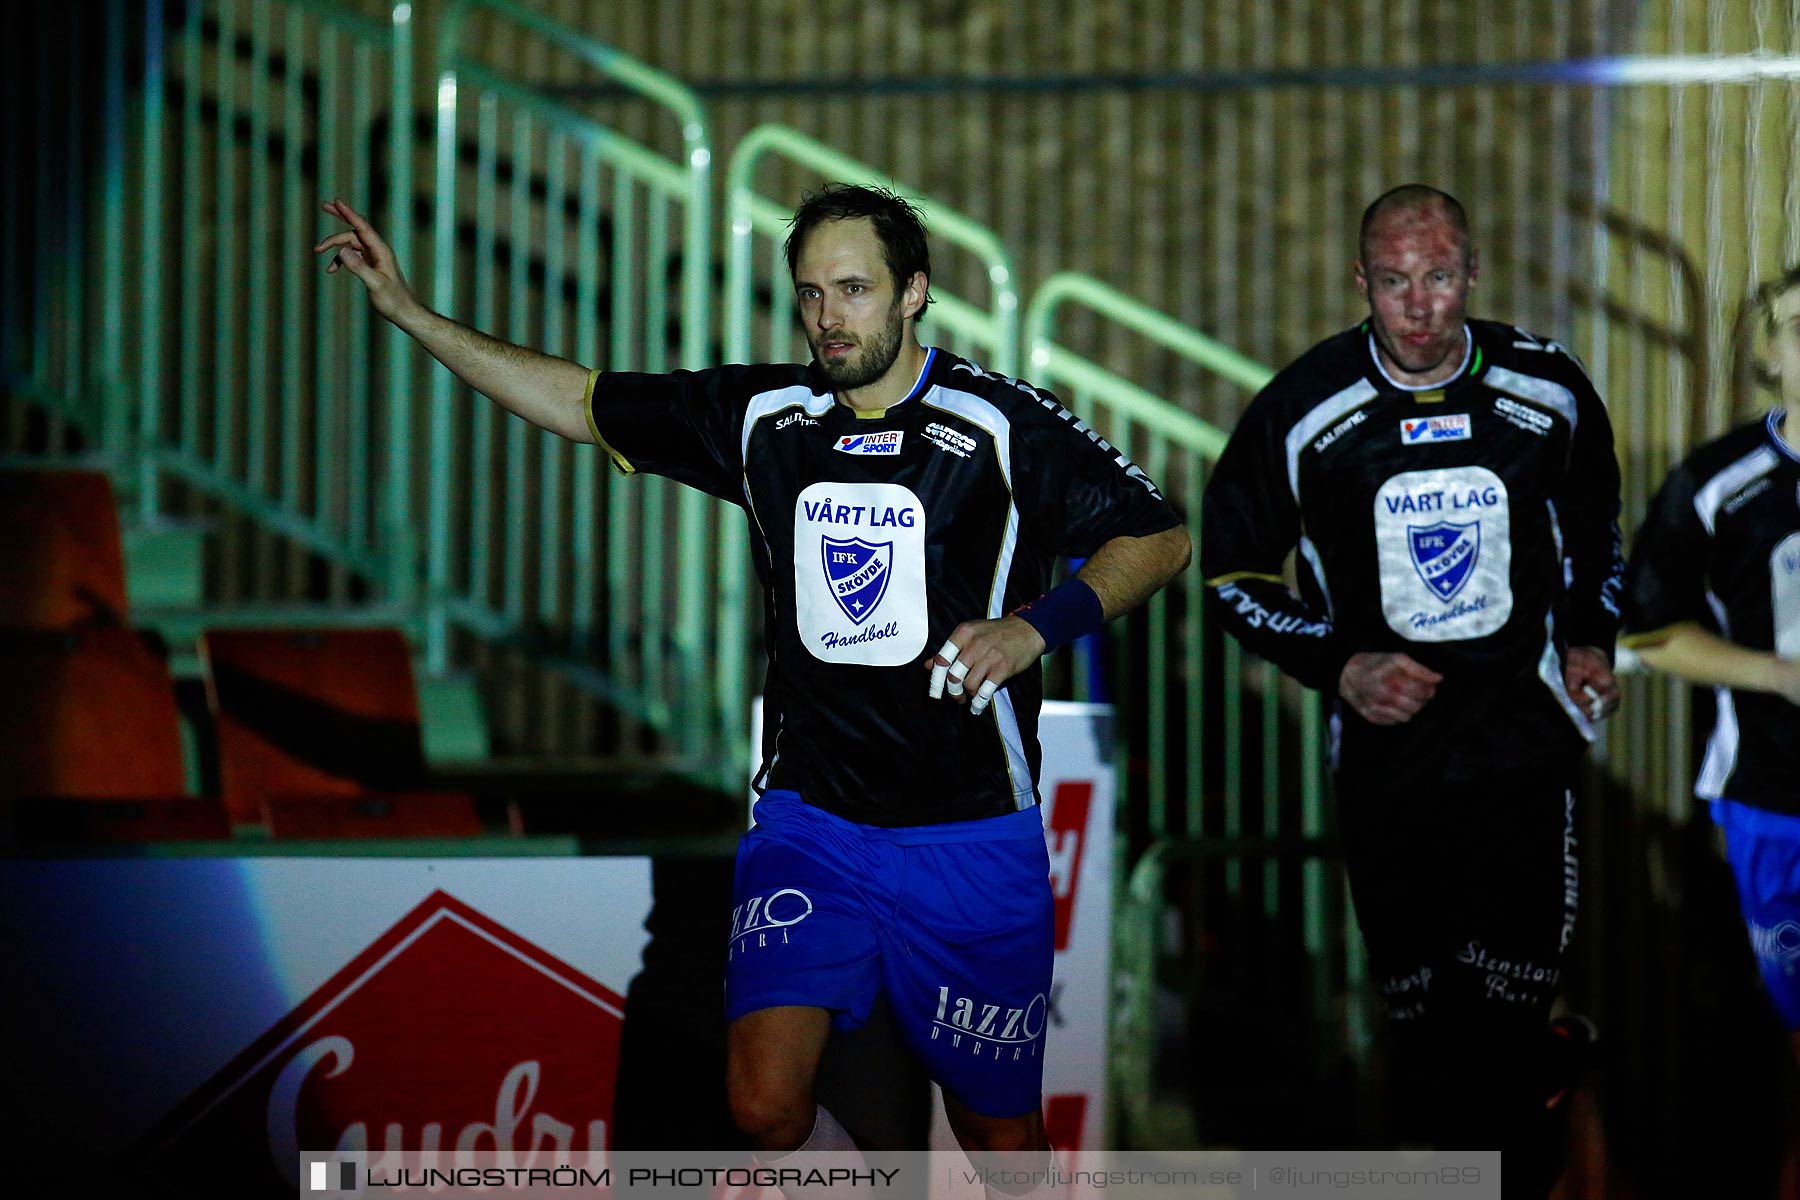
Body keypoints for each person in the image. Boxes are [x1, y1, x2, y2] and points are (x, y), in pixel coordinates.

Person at [314, 185, 1190, 1184]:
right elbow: (576, 399)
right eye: (810, 294)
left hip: (970, 835)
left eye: (854, 290)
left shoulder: (997, 424)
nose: (829, 319)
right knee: (763, 1109)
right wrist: (414, 316)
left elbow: (1159, 535)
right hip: (811, 824)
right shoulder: (768, 417)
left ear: (915, 293)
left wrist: (1036, 628)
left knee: (999, 1143)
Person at [1199, 184, 1622, 1190]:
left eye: (1439, 278)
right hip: (1388, 771)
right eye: (1396, 282)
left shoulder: (1547, 388)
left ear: (1472, 274)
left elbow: (1599, 529)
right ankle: (1553, 1060)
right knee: (1437, 1053)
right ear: (1362, 284)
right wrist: (1339, 664)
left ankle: (1531, 1072)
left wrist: (1588, 639)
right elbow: (1231, 575)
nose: (1421, 306)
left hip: (1523, 752)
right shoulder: (1302, 412)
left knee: (1493, 1039)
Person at [1622, 268, 1800, 1058]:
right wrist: (1776, 674)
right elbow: (1646, 629)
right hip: (1772, 789)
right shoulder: (1718, 483)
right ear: (1770, 354)